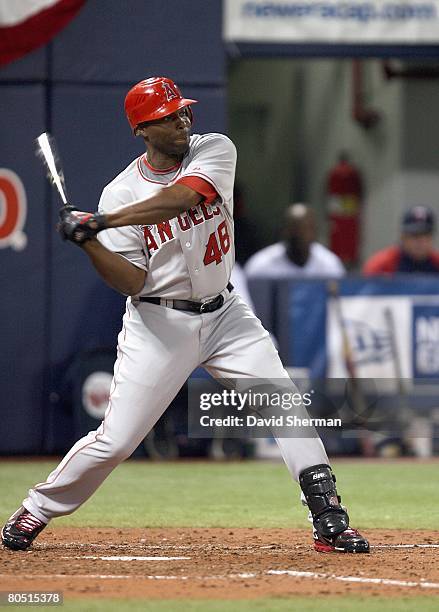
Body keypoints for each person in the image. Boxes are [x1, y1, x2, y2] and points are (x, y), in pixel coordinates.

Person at [1, 77, 368, 554]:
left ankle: (329, 519)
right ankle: (37, 508)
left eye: (182, 111)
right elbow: (131, 282)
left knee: (283, 403)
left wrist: (101, 222)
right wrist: (89, 242)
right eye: (168, 117)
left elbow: (186, 197)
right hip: (159, 324)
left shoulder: (213, 149)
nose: (182, 121)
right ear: (142, 130)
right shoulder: (119, 192)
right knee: (116, 441)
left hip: (227, 314)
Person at [245, 203, 345, 279]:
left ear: (315, 231)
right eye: (295, 229)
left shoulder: (329, 264)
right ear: (284, 231)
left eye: (306, 229)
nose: (300, 235)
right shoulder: (261, 265)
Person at [363, 205, 439, 275]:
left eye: (425, 235)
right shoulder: (382, 265)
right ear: (403, 237)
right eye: (415, 236)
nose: (421, 241)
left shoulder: (436, 262)